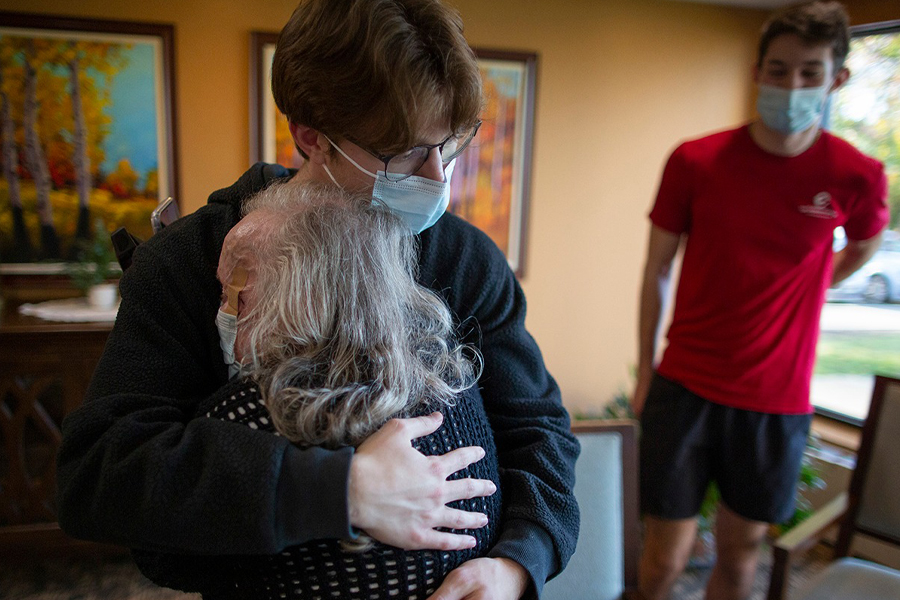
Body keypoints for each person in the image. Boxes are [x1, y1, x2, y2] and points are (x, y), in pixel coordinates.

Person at [55, 1, 580, 599]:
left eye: (450, 145)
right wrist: (342, 490)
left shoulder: (463, 259)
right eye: (403, 151)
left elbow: (539, 433)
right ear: (311, 137)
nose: (437, 179)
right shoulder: (193, 260)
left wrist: (517, 563)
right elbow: (99, 475)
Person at [632, 3, 889, 600]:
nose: (791, 85)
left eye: (808, 73)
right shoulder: (695, 160)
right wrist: (646, 371)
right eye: (777, 70)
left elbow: (865, 245)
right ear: (756, 72)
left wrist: (813, 282)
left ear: (836, 80)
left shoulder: (857, 174)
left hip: (776, 402)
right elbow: (656, 270)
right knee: (663, 561)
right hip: (686, 387)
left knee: (740, 559)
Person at [184, 181, 500, 598]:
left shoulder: (248, 416)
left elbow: (167, 557)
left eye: (233, 295)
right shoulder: (453, 385)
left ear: (299, 299)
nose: (223, 314)